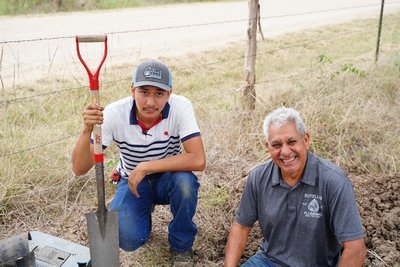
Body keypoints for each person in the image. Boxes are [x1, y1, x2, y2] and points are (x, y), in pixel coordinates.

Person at [71, 59, 206, 266]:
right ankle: (143, 210)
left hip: (167, 178)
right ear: (132, 90)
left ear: (169, 94)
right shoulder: (114, 114)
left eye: (159, 94)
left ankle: (181, 246)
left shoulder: (180, 107)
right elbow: (80, 168)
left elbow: (198, 159)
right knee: (128, 238)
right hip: (132, 182)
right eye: (144, 91)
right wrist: (86, 129)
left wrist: (145, 167)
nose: (151, 102)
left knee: (185, 183)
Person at [224, 107, 366, 267]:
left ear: (305, 140)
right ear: (267, 146)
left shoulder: (334, 181)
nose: (285, 152)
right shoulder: (258, 177)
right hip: (268, 262)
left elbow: (355, 248)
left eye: (291, 142)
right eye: (276, 145)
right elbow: (241, 228)